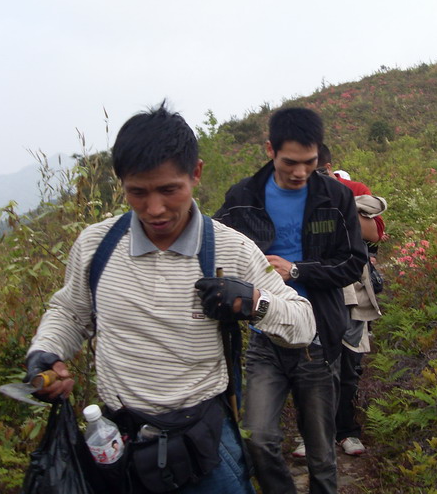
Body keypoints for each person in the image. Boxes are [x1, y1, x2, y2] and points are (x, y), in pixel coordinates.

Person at [24, 102, 316, 494]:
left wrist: (253, 302)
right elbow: (71, 313)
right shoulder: (97, 246)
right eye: (137, 192)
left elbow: (303, 323)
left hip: (205, 445)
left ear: (195, 173)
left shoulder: (230, 250)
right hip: (120, 445)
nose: (154, 209)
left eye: (168, 190)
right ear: (121, 183)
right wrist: (45, 352)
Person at [214, 108, 367, 494]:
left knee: (320, 451)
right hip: (265, 338)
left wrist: (297, 271)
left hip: (318, 339)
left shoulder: (334, 197)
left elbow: (353, 262)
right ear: (270, 150)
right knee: (258, 437)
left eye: (309, 162)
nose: (300, 172)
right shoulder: (243, 197)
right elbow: (213, 246)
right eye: (290, 162)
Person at [309, 144, 385, 457]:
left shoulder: (355, 190)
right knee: (313, 363)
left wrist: (338, 206)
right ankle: (312, 433)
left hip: (351, 291)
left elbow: (374, 234)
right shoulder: (292, 194)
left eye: (315, 169)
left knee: (349, 364)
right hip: (312, 290)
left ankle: (347, 431)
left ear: (328, 167)